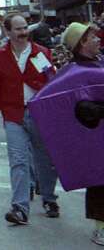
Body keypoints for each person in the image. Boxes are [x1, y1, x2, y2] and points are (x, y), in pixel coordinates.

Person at [0, 11, 58, 226]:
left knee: (45, 160)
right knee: (18, 160)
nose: (24, 32)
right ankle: (20, 208)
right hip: (13, 115)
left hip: (39, 114)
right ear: (7, 31)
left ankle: (50, 199)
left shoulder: (41, 53)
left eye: (25, 27)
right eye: (18, 29)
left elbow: (52, 83)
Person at [43, 22, 103, 245]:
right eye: (93, 38)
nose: (98, 40)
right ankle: (100, 229)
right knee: (100, 181)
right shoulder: (74, 73)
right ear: (81, 44)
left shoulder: (99, 63)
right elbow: (82, 108)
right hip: (95, 139)